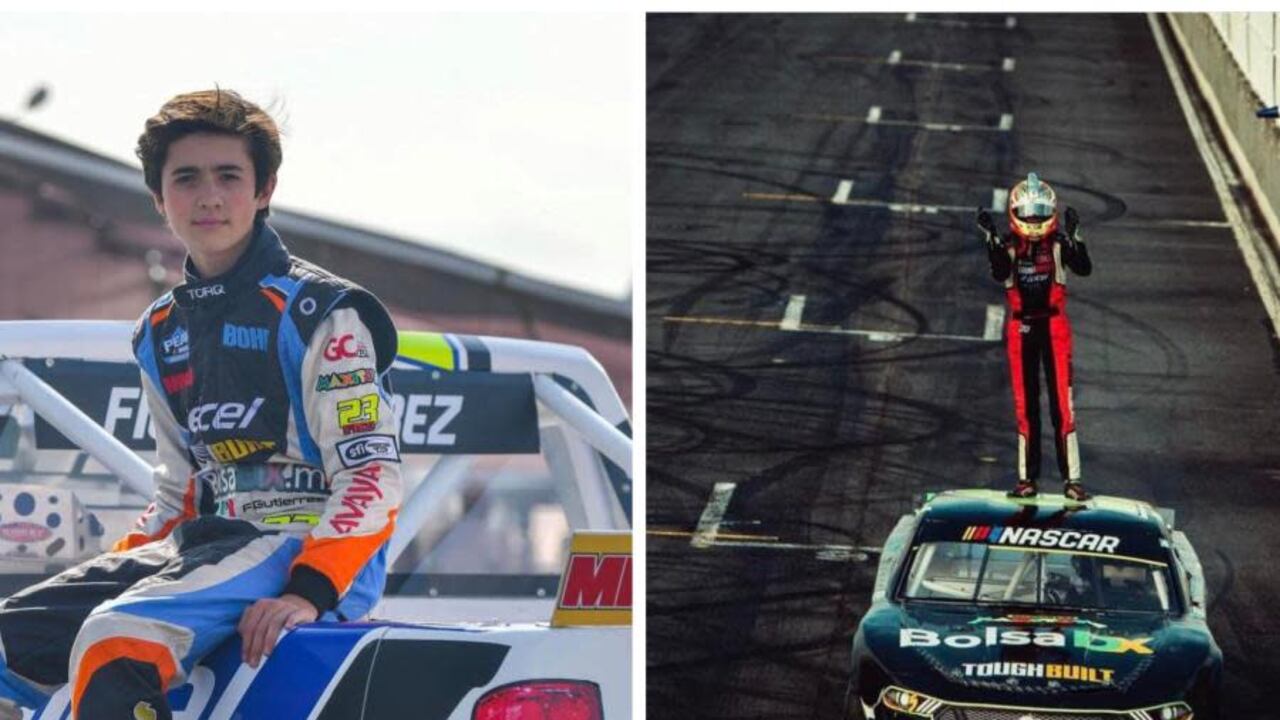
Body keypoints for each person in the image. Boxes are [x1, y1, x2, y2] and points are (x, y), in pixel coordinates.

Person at [0, 89, 402, 719]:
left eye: (228, 176)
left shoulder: (322, 313)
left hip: (301, 547)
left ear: (263, 190)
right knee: (8, 644)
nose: (209, 195)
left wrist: (311, 589)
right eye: (186, 178)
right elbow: (179, 496)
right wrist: (114, 570)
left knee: (117, 639)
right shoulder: (159, 331)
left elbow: (370, 473)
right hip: (206, 547)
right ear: (160, 200)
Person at [977, 172, 1092, 502]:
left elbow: (1084, 267)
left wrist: (1076, 237)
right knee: (1025, 406)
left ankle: (1073, 479)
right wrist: (990, 240)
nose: (1033, 220)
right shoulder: (1008, 248)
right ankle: (1027, 479)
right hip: (1021, 327)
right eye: (1028, 213)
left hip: (1054, 328)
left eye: (1040, 212)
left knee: (1062, 407)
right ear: (1015, 213)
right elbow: (999, 270)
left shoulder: (1058, 245)